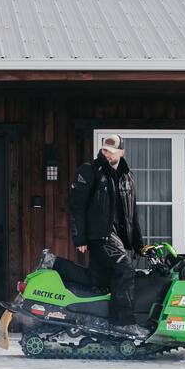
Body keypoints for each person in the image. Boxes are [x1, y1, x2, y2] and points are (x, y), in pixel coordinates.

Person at [68, 135, 147, 338]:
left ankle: (54, 263)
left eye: (111, 151)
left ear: (121, 152)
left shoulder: (127, 176)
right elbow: (77, 206)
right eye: (104, 150)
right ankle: (123, 323)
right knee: (125, 269)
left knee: (99, 279)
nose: (107, 154)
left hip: (119, 237)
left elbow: (132, 214)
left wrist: (139, 245)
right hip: (100, 235)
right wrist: (80, 237)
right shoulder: (90, 171)